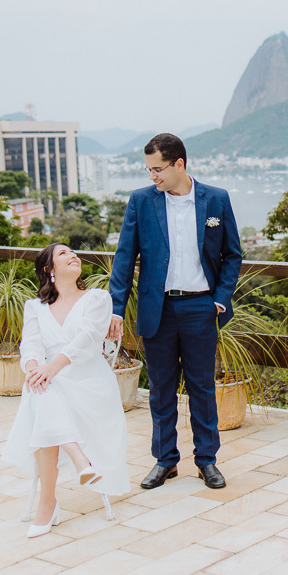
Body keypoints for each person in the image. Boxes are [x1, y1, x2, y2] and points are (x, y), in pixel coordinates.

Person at [108, 133, 242, 490]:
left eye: (158, 169)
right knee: (161, 390)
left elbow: (232, 255)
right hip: (158, 308)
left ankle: (207, 461)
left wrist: (220, 299)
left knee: (202, 388)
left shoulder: (216, 199)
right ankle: (165, 461)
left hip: (201, 307)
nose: (152, 176)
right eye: (149, 170)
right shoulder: (141, 201)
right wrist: (116, 309)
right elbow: (124, 258)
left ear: (179, 164)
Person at [2, 243, 129, 537]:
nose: (73, 256)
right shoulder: (34, 307)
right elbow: (30, 345)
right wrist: (34, 368)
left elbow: (87, 340)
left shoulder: (98, 298)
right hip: (51, 380)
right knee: (42, 389)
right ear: (49, 269)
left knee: (42, 393)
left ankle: (47, 504)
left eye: (74, 253)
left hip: (89, 382)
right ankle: (79, 459)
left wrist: (50, 369)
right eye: (63, 254)